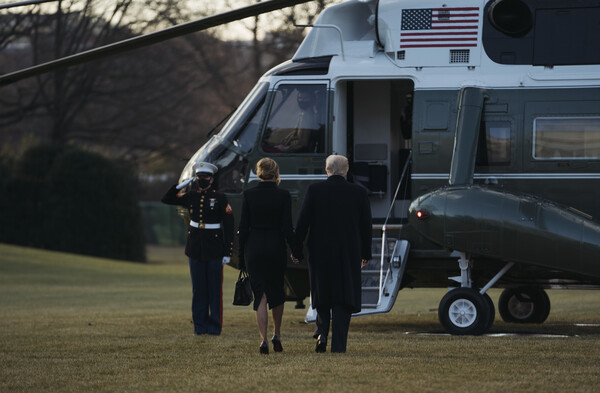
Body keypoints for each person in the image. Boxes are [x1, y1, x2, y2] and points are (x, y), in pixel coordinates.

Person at [295, 155, 372, 353]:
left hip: (320, 249)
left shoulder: (314, 190)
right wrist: (366, 252)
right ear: (346, 170)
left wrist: (296, 249)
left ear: (326, 170)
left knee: (322, 291)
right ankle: (339, 345)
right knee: (343, 295)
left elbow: (303, 222)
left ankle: (321, 331)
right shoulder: (359, 192)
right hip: (348, 251)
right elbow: (366, 227)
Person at [161, 162, 234, 335]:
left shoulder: (220, 198)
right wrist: (179, 187)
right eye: (199, 178)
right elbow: (167, 199)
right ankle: (199, 326)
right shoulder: (190, 196)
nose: (202, 181)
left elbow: (229, 227)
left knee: (214, 290)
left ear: (211, 179)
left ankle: (214, 326)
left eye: (205, 178)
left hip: (215, 249)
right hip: (195, 248)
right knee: (198, 290)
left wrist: (227, 252)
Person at [238, 158, 300, 354]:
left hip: (254, 248)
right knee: (277, 292)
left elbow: (243, 228)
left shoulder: (248, 194)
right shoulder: (283, 195)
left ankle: (263, 340)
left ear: (259, 172)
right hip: (275, 247)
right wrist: (296, 251)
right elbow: (288, 228)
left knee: (261, 295)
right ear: (276, 172)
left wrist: (240, 257)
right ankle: (277, 333)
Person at [274, 87, 320, 153]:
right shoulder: (305, 114)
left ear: (311, 99)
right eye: (300, 98)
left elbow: (302, 143)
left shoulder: (307, 116)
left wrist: (285, 148)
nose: (302, 100)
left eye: (305, 98)